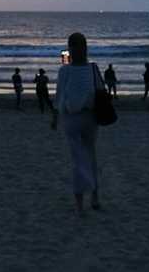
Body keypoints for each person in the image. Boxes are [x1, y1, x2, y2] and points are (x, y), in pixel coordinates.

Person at [51, 32, 104, 214]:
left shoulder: (66, 70)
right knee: (89, 157)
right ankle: (92, 197)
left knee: (79, 160)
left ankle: (82, 202)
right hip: (88, 117)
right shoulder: (92, 68)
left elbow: (59, 96)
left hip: (76, 117)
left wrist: (55, 116)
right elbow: (101, 91)